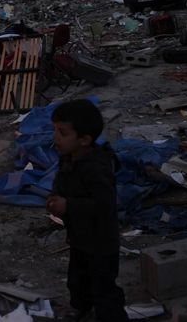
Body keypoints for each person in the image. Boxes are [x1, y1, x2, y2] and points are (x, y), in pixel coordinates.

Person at [46, 99, 129, 322]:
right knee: (77, 279)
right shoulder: (67, 157)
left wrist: (69, 205)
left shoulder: (96, 168)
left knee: (103, 287)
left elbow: (104, 206)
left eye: (62, 133)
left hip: (101, 242)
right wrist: (55, 198)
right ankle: (80, 307)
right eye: (54, 130)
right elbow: (60, 181)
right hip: (79, 237)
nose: (55, 137)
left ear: (84, 139)